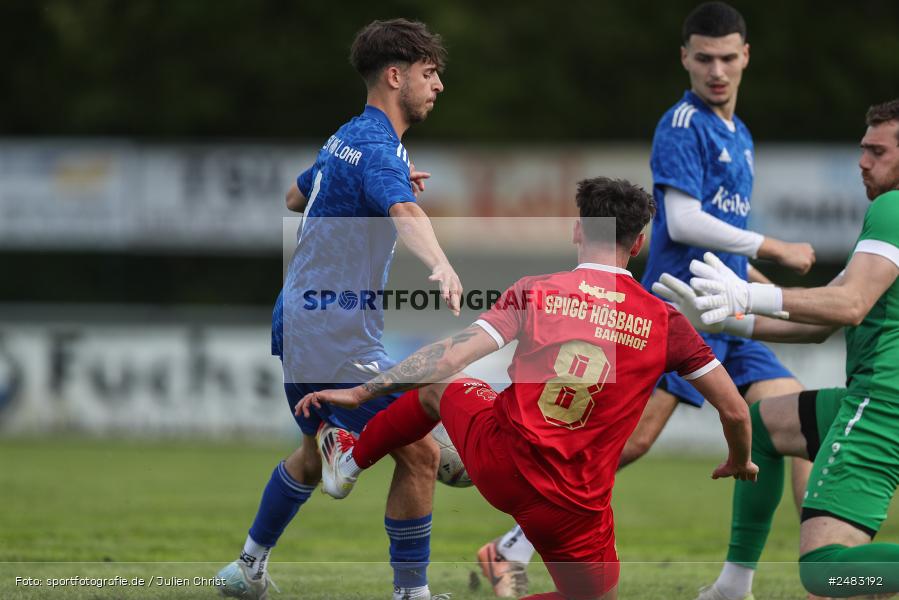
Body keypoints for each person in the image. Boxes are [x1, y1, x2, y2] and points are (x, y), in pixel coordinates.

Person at [472, 4, 819, 593]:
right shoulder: (682, 126)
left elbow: (721, 240)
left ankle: (799, 565)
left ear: (745, 58)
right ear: (685, 57)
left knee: (796, 424)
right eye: (704, 58)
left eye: (728, 58)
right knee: (628, 443)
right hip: (678, 313)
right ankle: (509, 548)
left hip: (728, 312)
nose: (717, 70)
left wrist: (763, 286)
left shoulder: (740, 133)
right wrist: (777, 246)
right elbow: (681, 222)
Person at [297, 177, 759, 600]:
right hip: (573, 505)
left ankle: (351, 461)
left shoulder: (536, 290)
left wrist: (362, 394)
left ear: (578, 231)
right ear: (638, 243)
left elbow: (452, 356)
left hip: (501, 460)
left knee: (441, 386)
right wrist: (739, 459)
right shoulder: (665, 321)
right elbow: (736, 411)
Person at [215, 19, 462, 600]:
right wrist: (441, 263)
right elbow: (405, 215)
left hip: (301, 320)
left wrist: (382, 184)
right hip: (335, 326)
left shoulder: (347, 138)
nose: (438, 87)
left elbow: (297, 195)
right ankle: (410, 593)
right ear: (395, 76)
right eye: (430, 75)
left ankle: (246, 567)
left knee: (308, 453)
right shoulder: (377, 148)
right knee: (427, 455)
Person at [656, 98, 899, 599]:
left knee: (827, 574)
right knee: (763, 427)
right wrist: (733, 321)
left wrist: (751, 293)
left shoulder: (892, 208)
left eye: (877, 151)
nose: (863, 161)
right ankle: (733, 585)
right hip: (876, 399)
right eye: (863, 148)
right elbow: (819, 322)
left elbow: (850, 305)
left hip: (883, 404)